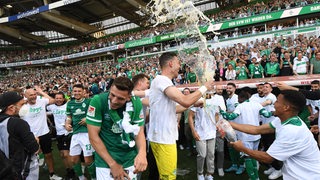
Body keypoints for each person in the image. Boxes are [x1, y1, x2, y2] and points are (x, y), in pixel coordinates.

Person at [148, 52, 214, 179]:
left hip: (161, 137)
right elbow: (184, 100)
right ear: (171, 63)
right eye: (178, 63)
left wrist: (194, 103)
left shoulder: (161, 81)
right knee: (169, 177)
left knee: (163, 175)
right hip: (164, 139)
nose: (180, 66)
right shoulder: (162, 80)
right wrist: (204, 87)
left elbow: (176, 108)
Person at [229, 90, 320, 179]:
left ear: (286, 107)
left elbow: (268, 158)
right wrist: (229, 124)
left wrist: (242, 149)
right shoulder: (283, 120)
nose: (274, 104)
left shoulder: (291, 130)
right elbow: (256, 129)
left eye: (277, 101)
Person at [86, 77, 148, 180]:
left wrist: (142, 153)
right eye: (112, 94)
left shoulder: (136, 103)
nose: (114, 101)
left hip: (129, 158)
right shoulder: (98, 101)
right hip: (105, 160)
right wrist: (113, 164)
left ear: (128, 97)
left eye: (120, 98)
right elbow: (93, 137)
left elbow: (139, 132)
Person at [220, 90, 272, 180]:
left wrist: (221, 112)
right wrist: (274, 113)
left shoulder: (240, 106)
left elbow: (231, 116)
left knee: (247, 157)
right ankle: (256, 177)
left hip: (245, 136)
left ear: (240, 98)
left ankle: (253, 178)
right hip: (256, 135)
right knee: (254, 156)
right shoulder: (257, 104)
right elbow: (267, 115)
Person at [20, 86, 62, 180]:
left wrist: (41, 92)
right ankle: (30, 176)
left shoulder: (41, 100)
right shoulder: (22, 105)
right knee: (30, 158)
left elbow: (52, 101)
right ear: (25, 96)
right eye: (31, 95)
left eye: (35, 94)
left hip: (44, 133)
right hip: (30, 136)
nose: (34, 96)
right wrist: (23, 102)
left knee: (49, 155)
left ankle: (52, 174)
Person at [0, 91, 39, 180]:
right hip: (22, 170)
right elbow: (35, 149)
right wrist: (36, 141)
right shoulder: (19, 123)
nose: (24, 107)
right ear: (11, 108)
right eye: (21, 105)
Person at [65, 84, 95, 180]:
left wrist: (88, 118)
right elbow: (69, 117)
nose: (77, 93)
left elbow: (96, 114)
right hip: (75, 133)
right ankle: (81, 177)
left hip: (87, 133)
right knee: (73, 159)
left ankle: (94, 177)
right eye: (75, 91)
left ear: (83, 92)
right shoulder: (70, 103)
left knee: (88, 160)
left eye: (79, 91)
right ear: (72, 92)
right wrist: (67, 124)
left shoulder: (89, 102)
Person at [188, 94, 218, 180]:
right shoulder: (198, 99)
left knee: (211, 154)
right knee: (202, 155)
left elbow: (216, 114)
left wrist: (216, 124)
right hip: (200, 132)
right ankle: (200, 173)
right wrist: (193, 131)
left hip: (212, 132)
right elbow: (190, 116)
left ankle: (209, 173)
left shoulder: (215, 100)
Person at [47, 92, 75, 180]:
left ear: (63, 99)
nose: (58, 100)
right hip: (58, 133)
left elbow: (72, 116)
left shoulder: (68, 105)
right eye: (57, 98)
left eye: (60, 98)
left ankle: (73, 172)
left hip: (67, 132)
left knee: (66, 154)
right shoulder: (52, 107)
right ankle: (68, 170)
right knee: (62, 155)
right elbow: (46, 105)